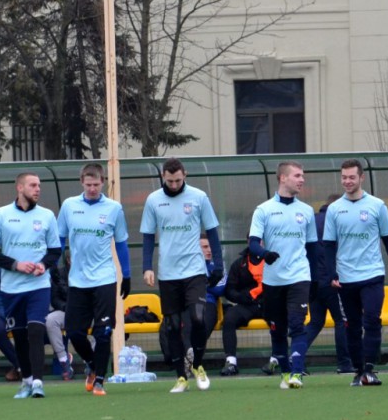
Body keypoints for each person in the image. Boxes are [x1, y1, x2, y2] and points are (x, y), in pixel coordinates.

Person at [140, 157, 224, 393]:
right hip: (168, 273)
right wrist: (147, 267)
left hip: (194, 270)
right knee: (172, 326)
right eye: (170, 181)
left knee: (198, 318)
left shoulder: (199, 197)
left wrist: (218, 264)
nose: (174, 185)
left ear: (185, 175)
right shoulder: (153, 200)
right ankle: (181, 377)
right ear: (163, 177)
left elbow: (212, 232)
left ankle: (197, 365)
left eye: (178, 180)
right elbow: (148, 236)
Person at [322, 159, 388, 386]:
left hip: (372, 274)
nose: (347, 181)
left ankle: (369, 369)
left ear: (361, 178)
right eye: (344, 177)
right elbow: (328, 245)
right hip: (346, 277)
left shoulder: (377, 205)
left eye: (352, 177)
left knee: (372, 320)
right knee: (352, 325)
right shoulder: (334, 209)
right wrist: (332, 274)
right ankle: (358, 371)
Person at [0, 172, 62, 399]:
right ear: (19, 188)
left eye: (39, 185)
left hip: (39, 286)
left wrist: (43, 265)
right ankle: (26, 380)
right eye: (33, 185)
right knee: (19, 335)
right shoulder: (1, 215)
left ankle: (38, 382)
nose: (38, 189)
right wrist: (16, 265)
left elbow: (55, 251)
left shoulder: (47, 215)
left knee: (36, 330)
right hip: (11, 288)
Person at [57, 163, 130, 397]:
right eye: (88, 184)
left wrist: (127, 274)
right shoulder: (69, 206)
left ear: (103, 183)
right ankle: (92, 364)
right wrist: (54, 267)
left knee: (103, 332)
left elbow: (121, 243)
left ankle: (99, 381)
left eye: (96, 184)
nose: (92, 189)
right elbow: (59, 239)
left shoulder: (114, 208)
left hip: (104, 279)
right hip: (78, 280)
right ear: (82, 182)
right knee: (74, 332)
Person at [248, 161, 320, 388]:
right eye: (297, 175)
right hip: (273, 280)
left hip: (299, 277)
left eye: (302, 176)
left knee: (297, 325)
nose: (302, 180)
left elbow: (312, 249)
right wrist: (265, 254)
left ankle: (297, 373)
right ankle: (286, 374)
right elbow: (252, 244)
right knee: (277, 329)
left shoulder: (306, 211)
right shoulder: (264, 210)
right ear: (282, 178)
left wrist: (315, 280)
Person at [305, 193, 351, 376]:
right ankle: (345, 363)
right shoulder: (336, 221)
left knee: (316, 322)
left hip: (313, 281)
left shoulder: (312, 220)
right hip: (333, 280)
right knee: (342, 320)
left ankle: (296, 357)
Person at [218, 247, 264, 376]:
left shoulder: (272, 262)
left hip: (267, 305)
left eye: (260, 240)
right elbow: (229, 290)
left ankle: (278, 359)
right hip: (246, 305)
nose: (258, 244)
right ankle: (231, 362)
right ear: (249, 242)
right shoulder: (239, 264)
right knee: (229, 319)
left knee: (280, 317)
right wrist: (241, 297)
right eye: (255, 240)